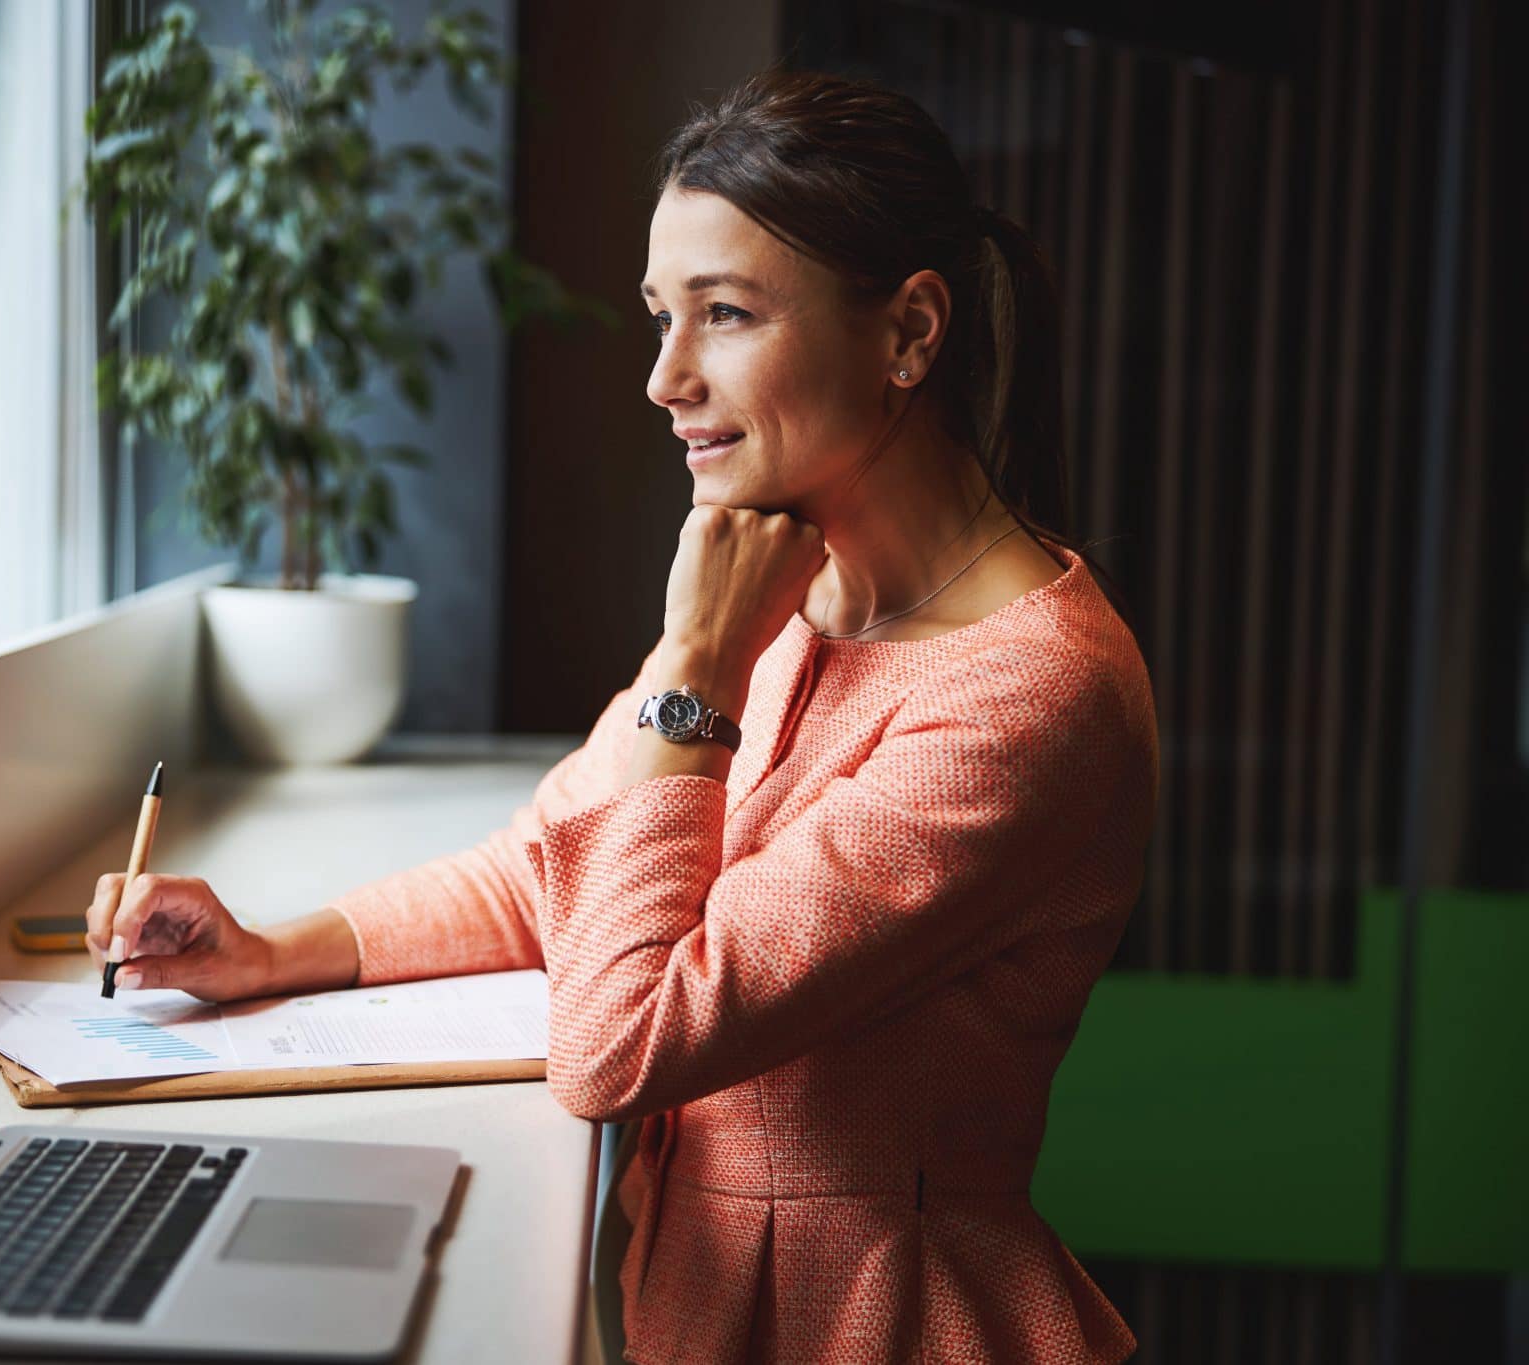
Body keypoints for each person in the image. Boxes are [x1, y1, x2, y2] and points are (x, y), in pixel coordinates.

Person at [85, 69, 1154, 1365]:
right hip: (701, 1305)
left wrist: (698, 663)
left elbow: (621, 1041)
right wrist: (269, 950)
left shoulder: (1026, 692)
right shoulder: (785, 585)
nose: (663, 377)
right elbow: (559, 861)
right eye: (662, 316)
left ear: (909, 334)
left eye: (727, 314)